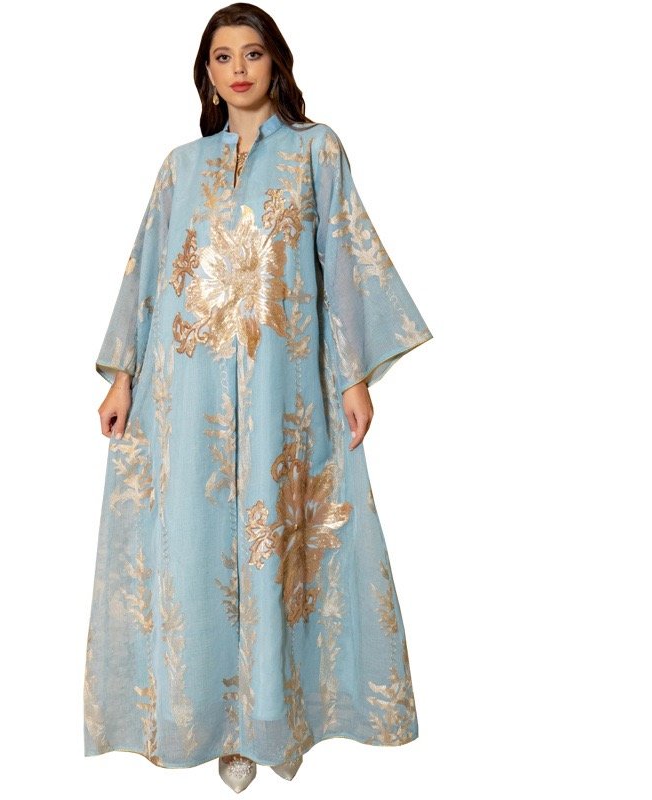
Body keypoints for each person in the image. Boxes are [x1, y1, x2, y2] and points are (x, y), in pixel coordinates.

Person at [84, 3, 433, 793]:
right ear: (206, 74)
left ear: (276, 62)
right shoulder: (181, 167)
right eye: (222, 57)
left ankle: (268, 720)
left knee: (280, 536)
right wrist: (123, 374)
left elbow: (342, 257)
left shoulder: (316, 150)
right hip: (187, 392)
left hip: (282, 385)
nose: (238, 69)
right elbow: (147, 272)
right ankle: (213, 721)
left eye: (252, 53)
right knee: (194, 542)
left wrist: (353, 377)